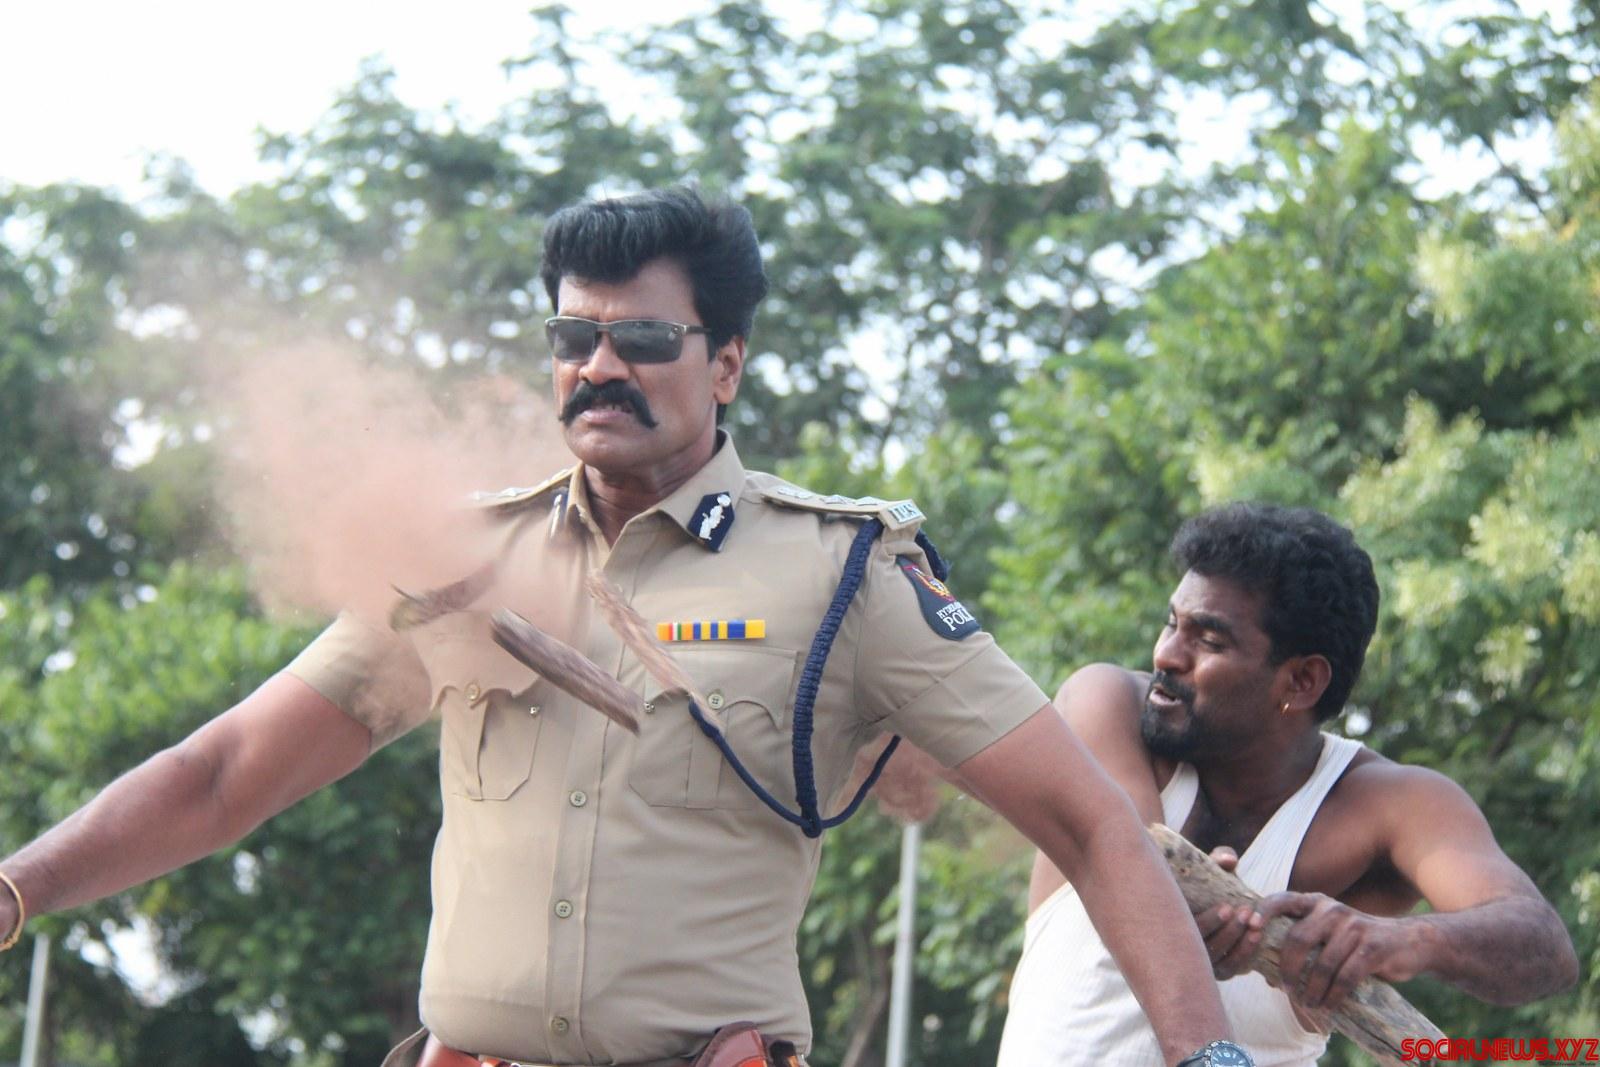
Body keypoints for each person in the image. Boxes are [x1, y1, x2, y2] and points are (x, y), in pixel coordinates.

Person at [0, 187, 1245, 1067]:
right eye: (572, 336)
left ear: (726, 364)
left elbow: (1089, 824)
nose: (599, 365)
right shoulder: (461, 563)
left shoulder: (845, 575)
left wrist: (1210, 1058)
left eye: (643, 338)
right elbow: (224, 773)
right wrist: (18, 887)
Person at [997, 503, 1578, 1067]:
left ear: (1301, 681)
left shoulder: (1389, 804)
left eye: (1209, 641)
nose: (1167, 655)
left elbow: (1544, 947)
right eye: (1172, 623)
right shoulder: (1107, 704)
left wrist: (1397, 941)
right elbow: (1140, 871)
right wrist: (1190, 904)